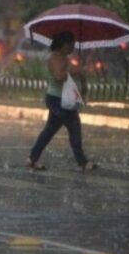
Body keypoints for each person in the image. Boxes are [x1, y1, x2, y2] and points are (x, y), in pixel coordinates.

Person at [27, 31, 98, 172]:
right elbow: (59, 77)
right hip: (57, 100)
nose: (72, 47)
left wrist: (80, 79)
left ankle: (32, 159)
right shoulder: (54, 59)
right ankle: (82, 162)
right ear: (63, 44)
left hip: (63, 100)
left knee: (50, 131)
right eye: (70, 44)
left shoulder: (65, 58)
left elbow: (71, 76)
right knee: (74, 127)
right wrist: (73, 71)